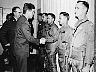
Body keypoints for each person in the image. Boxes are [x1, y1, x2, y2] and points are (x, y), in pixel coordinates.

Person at [14, 3, 45, 72]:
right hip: (21, 50)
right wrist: (40, 41)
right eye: (33, 12)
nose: (34, 14)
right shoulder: (24, 22)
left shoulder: (21, 19)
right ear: (28, 11)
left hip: (19, 49)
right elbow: (29, 38)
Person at [69, 1, 94, 72]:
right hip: (74, 59)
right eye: (75, 8)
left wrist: (88, 65)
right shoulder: (77, 24)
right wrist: (71, 56)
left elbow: (91, 46)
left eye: (77, 8)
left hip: (82, 60)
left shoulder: (89, 25)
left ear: (84, 10)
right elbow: (73, 42)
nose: (75, 10)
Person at [0, 6, 21, 72]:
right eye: (19, 12)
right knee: (15, 64)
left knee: (20, 65)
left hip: (21, 47)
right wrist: (5, 43)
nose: (20, 14)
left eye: (20, 12)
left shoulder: (21, 22)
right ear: (14, 13)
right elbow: (1, 33)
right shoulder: (9, 22)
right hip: (13, 47)